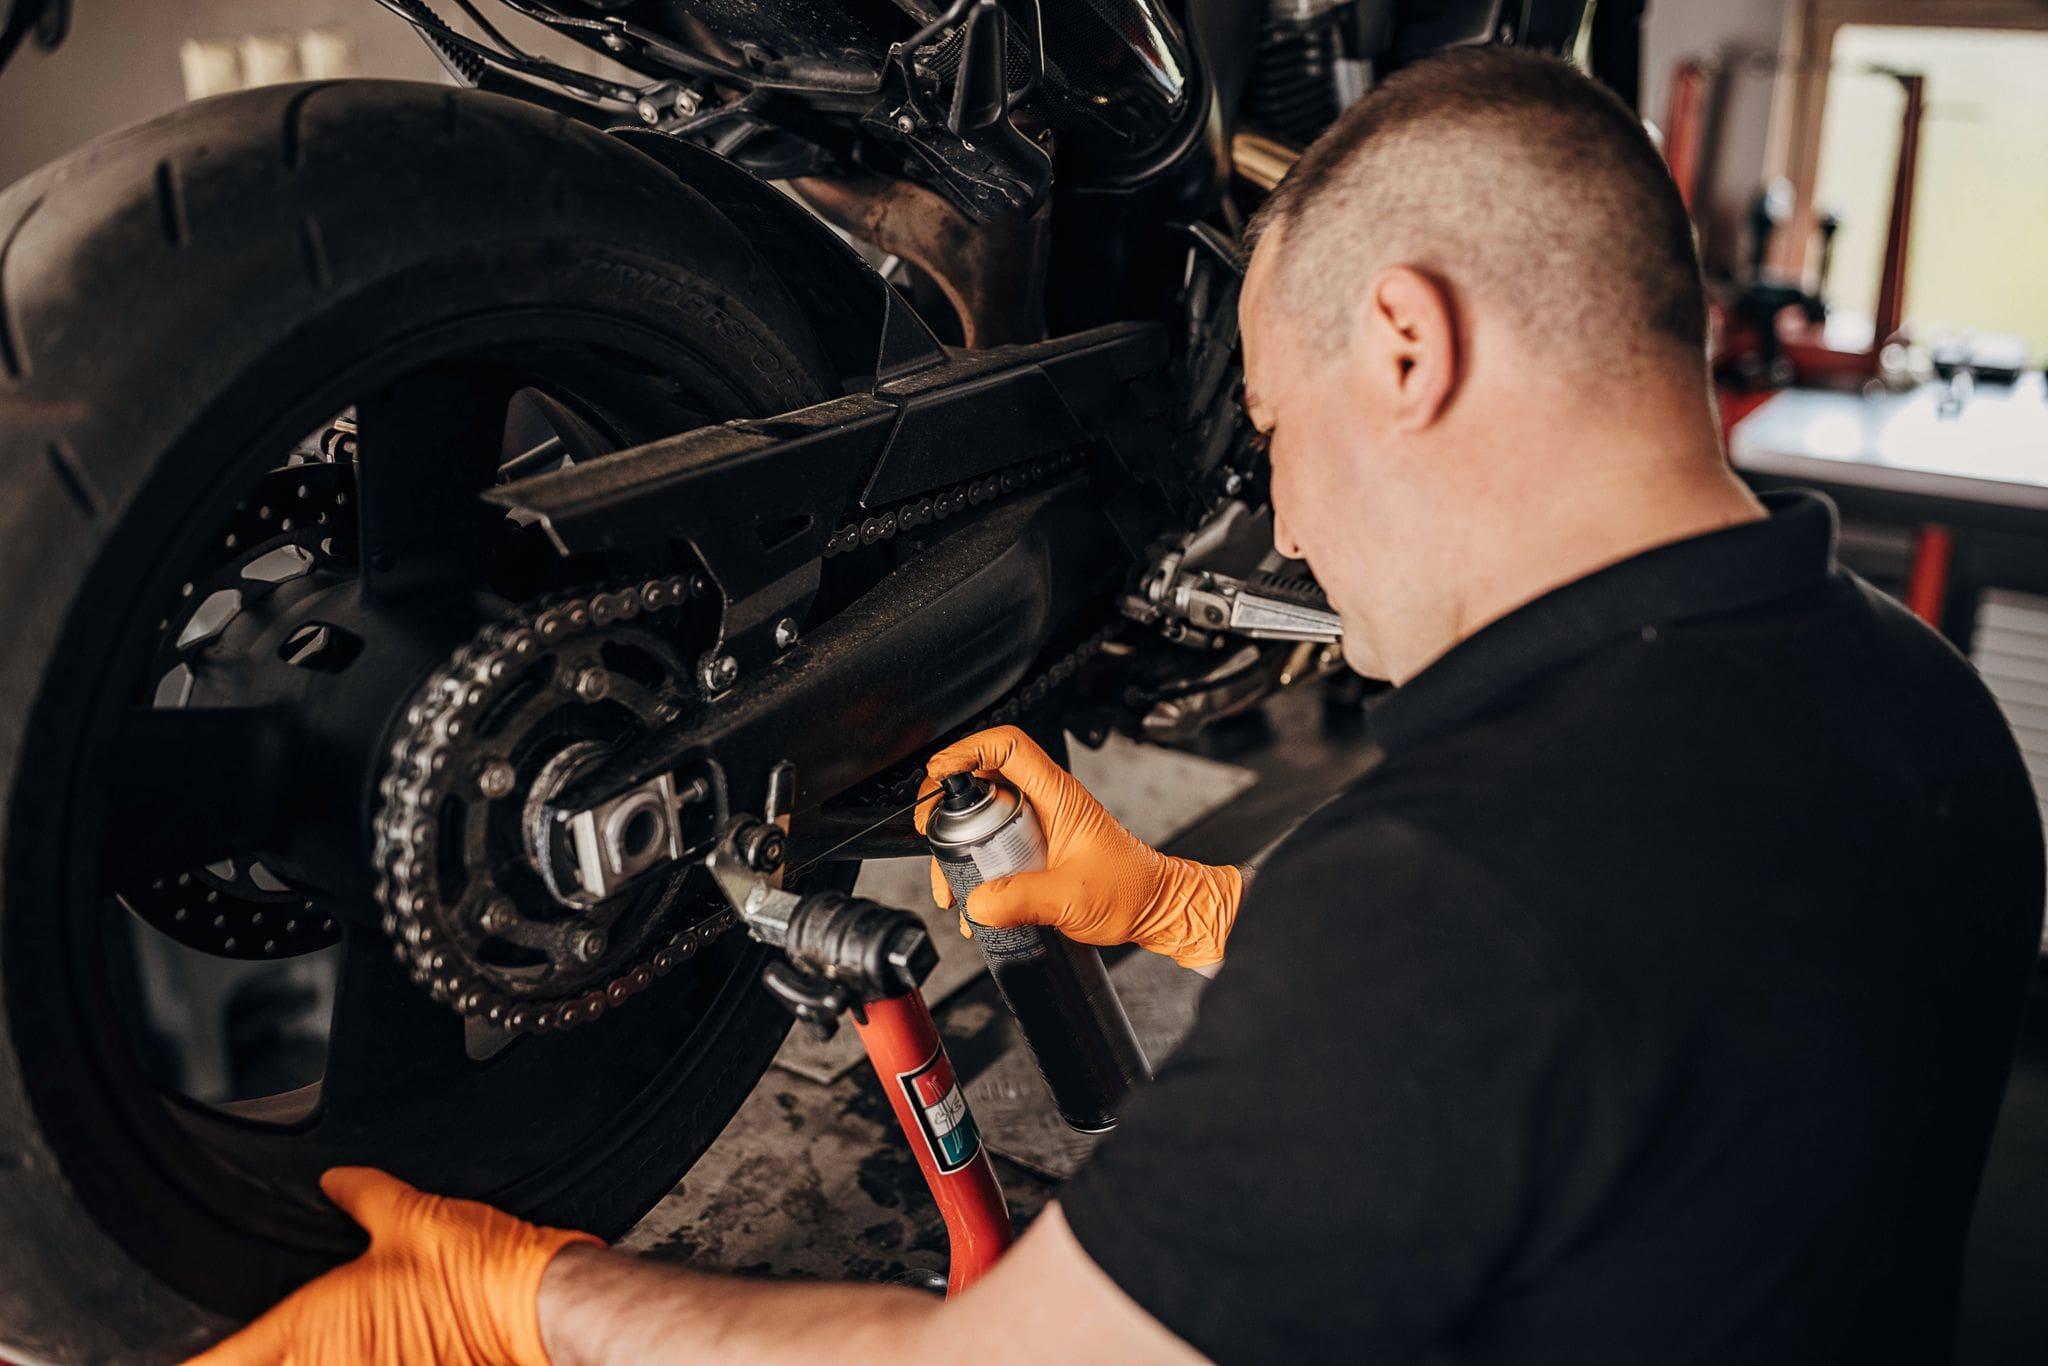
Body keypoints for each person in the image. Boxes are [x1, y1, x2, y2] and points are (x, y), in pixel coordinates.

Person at [193, 46, 2044, 1366]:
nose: (1285, 521)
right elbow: (1624, 1012)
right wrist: (1178, 902)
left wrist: (528, 1301)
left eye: (1276, 426)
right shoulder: (1923, 710)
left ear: (1407, 344)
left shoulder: (1455, 899)